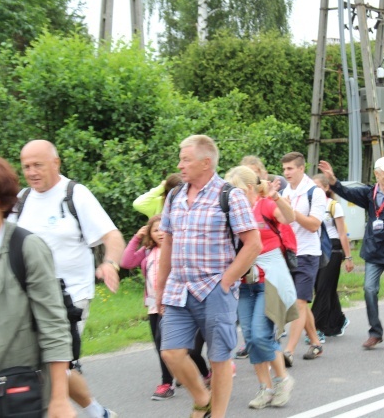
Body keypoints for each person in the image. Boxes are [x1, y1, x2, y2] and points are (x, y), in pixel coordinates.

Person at [12, 140, 123, 418]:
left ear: (56, 163)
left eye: (38, 164)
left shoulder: (75, 194)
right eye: (26, 166)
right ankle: (98, 413)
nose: (32, 171)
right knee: (51, 366)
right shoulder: (22, 199)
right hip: (28, 298)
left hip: (71, 297)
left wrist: (109, 262)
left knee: (52, 365)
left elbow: (112, 236)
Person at [156, 135, 262, 418]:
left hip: (214, 288)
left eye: (186, 159)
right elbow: (167, 241)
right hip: (179, 289)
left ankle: (217, 415)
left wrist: (226, 281)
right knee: (171, 353)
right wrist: (160, 287)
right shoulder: (175, 196)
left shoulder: (230, 195)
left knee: (219, 359)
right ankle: (202, 398)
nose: (180, 164)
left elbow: (253, 244)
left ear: (206, 163)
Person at [0, 155, 75, 417]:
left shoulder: (25, 248)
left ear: (2, 204)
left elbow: (54, 326)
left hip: (13, 384)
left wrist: (60, 399)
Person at [318, 154, 384, 351]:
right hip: (374, 249)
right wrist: (332, 179)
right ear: (377, 174)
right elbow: (345, 192)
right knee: (369, 289)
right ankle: (375, 332)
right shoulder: (368, 193)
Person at [224, 166, 297, 409]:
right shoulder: (232, 213)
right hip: (245, 284)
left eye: (236, 191)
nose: (232, 197)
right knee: (253, 339)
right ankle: (266, 388)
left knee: (259, 334)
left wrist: (276, 197)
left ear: (249, 189)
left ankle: (282, 380)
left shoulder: (264, 205)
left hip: (269, 280)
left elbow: (289, 218)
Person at [120, 215, 178, 400]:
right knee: (160, 345)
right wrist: (137, 238)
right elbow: (127, 262)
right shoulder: (147, 252)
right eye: (155, 230)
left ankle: (197, 373)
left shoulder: (176, 248)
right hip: (153, 305)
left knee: (171, 344)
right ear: (150, 234)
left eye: (163, 229)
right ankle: (168, 383)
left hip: (173, 303)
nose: (160, 233)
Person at [280, 152, 326, 364]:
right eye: (284, 169)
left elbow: (314, 224)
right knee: (300, 302)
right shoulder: (285, 191)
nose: (286, 173)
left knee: (299, 302)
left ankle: (288, 351)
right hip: (289, 253)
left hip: (308, 253)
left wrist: (291, 212)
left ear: (301, 168)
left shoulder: (314, 193)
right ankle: (315, 342)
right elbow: (282, 222)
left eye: (290, 168)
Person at [311, 174, 354, 336]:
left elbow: (343, 234)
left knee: (323, 289)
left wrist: (348, 257)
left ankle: (315, 328)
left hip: (333, 250)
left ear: (326, 188)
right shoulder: (311, 207)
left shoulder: (333, 206)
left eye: (318, 187)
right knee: (324, 288)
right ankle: (338, 320)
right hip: (316, 249)